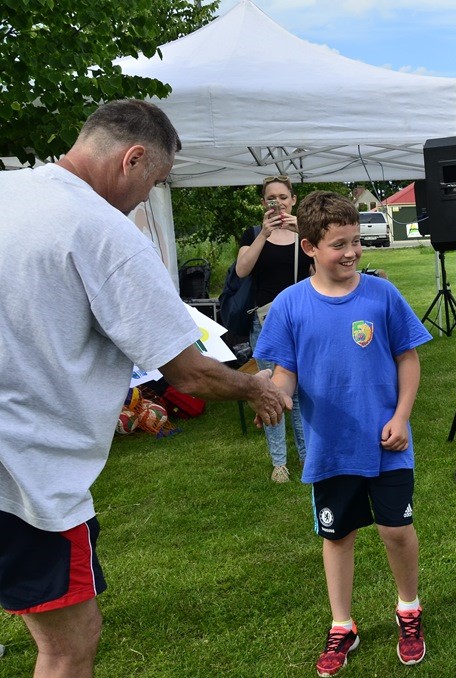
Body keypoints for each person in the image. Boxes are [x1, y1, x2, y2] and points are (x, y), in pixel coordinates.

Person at [0, 99, 289, 678]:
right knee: (69, 644)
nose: (142, 201)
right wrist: (254, 387)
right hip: (29, 479)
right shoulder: (104, 231)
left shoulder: (9, 192)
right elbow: (188, 372)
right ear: (132, 159)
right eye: (153, 182)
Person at [254, 190, 432, 674]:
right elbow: (284, 373)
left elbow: (408, 358)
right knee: (339, 536)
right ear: (310, 247)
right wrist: (274, 396)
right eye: (339, 244)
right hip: (329, 448)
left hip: (387, 442)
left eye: (356, 242)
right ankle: (342, 624)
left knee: (397, 530)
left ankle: (409, 609)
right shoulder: (289, 305)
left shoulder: (381, 294)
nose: (352, 252)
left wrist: (402, 415)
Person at [236, 175, 315, 483]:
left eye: (283, 196)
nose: (278, 202)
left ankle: (308, 457)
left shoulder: (303, 235)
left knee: (301, 394)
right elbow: (242, 269)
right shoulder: (254, 233)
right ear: (263, 203)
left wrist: (304, 234)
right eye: (272, 197)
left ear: (293, 200)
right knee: (272, 391)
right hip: (266, 324)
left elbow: (322, 272)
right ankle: (279, 462)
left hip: (301, 322)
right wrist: (264, 235)